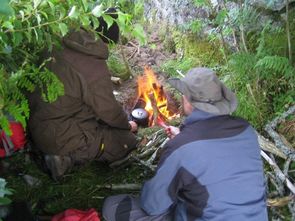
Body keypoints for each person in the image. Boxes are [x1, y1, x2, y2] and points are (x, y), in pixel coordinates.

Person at [102, 67, 268, 221]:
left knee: (112, 205)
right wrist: (184, 140)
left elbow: (152, 204)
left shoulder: (182, 148)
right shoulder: (246, 130)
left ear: (187, 100)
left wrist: (181, 146)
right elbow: (217, 157)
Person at [27, 8, 138, 181]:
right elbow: (109, 111)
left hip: (37, 123)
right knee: (126, 141)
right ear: (107, 38)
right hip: (59, 137)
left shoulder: (60, 41)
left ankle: (54, 149)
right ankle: (65, 159)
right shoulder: (94, 66)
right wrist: (127, 125)